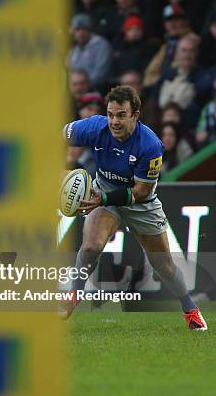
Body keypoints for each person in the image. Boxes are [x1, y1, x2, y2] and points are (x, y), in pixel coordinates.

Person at [61, 85, 207, 331]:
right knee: (90, 245)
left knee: (164, 266)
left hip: (140, 204)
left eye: (121, 115)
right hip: (104, 190)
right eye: (110, 114)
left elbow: (141, 192)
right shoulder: (94, 127)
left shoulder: (150, 145)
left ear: (135, 115)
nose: (114, 121)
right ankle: (74, 295)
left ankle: (190, 309)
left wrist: (103, 201)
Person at [68, 13, 112, 90]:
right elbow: (70, 69)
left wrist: (83, 84)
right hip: (76, 90)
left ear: (90, 30)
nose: (80, 33)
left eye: (84, 29)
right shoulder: (75, 49)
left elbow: (101, 73)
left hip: (97, 89)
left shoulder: (101, 45)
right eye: (77, 30)